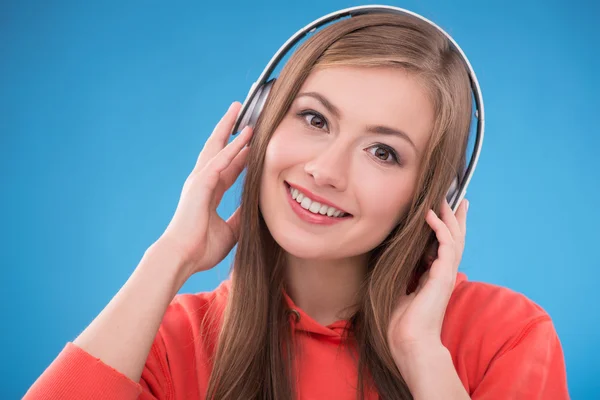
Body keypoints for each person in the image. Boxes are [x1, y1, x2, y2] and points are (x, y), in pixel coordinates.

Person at [24, 8, 569, 400]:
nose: (326, 171)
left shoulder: (505, 335)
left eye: (383, 152)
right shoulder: (171, 342)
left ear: (431, 195)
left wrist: (422, 354)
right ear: (259, 123)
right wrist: (172, 255)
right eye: (314, 119)